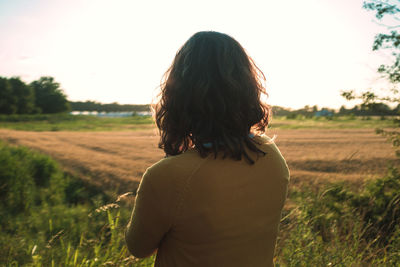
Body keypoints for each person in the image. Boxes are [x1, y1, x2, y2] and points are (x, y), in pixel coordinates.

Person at [125, 31, 289, 267]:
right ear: (247, 88)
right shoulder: (271, 155)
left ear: (178, 95)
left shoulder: (167, 176)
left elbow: (138, 248)